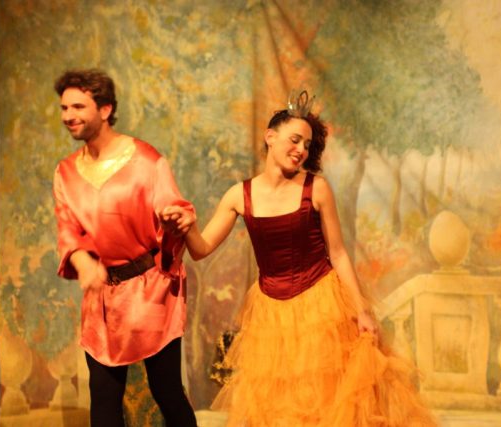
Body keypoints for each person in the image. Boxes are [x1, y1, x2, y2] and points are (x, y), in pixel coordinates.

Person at [178, 90, 437, 426]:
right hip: (271, 313)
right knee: (280, 408)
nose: (301, 149)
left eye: (307, 145)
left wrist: (361, 310)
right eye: (295, 140)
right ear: (270, 137)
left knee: (326, 404)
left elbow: (338, 253)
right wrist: (187, 225)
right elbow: (200, 249)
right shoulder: (239, 195)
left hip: (321, 305)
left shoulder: (316, 189)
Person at [52, 69, 198, 427]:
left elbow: (174, 208)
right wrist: (84, 262)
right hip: (103, 298)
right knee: (103, 394)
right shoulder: (66, 173)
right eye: (64, 107)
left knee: (165, 388)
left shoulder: (146, 160)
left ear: (105, 109)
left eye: (78, 107)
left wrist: (174, 220)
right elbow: (69, 231)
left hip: (150, 290)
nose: (68, 115)